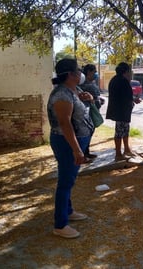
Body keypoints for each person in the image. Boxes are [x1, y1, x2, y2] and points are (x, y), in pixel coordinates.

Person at [47, 58, 94, 238]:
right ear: (70, 74)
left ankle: (68, 211)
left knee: (69, 179)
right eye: (78, 70)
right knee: (65, 182)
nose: (80, 73)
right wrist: (76, 149)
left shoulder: (73, 90)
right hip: (66, 143)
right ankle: (60, 224)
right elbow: (65, 124)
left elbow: (81, 111)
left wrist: (89, 99)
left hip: (75, 141)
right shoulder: (61, 95)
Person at [106, 62, 140, 160]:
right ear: (126, 71)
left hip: (121, 110)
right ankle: (118, 153)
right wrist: (134, 100)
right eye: (130, 71)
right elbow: (126, 96)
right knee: (119, 132)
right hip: (121, 111)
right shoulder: (123, 81)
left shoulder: (115, 79)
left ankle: (126, 149)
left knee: (125, 130)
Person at [80, 64, 104, 159]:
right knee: (86, 133)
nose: (95, 74)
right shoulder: (83, 84)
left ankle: (86, 152)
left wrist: (99, 100)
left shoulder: (92, 83)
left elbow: (95, 97)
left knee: (90, 133)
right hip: (87, 113)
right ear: (89, 72)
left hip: (93, 112)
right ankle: (83, 154)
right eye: (94, 72)